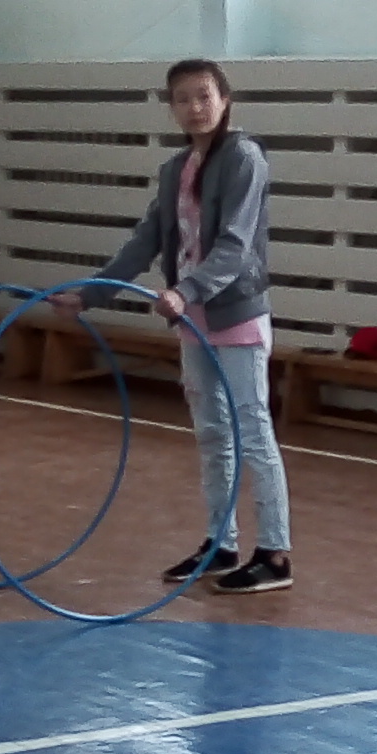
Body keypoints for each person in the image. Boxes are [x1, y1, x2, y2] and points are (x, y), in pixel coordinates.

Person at [95, 57, 294, 595]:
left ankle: (275, 554)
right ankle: (220, 544)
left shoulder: (244, 158)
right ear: (171, 108)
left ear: (225, 100)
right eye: (182, 98)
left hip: (235, 315)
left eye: (205, 95)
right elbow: (146, 241)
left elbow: (235, 246)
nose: (195, 107)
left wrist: (185, 291)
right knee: (211, 432)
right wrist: (90, 293)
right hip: (192, 320)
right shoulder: (176, 168)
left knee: (253, 430)